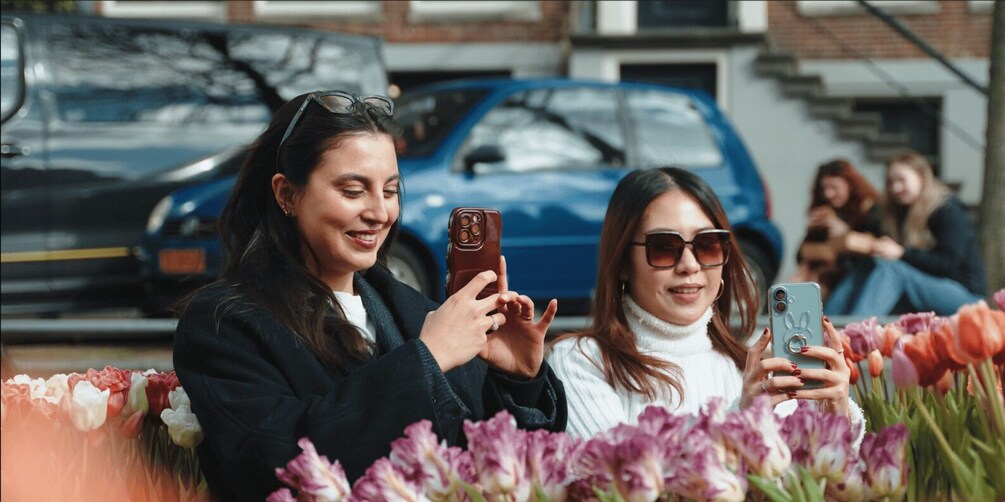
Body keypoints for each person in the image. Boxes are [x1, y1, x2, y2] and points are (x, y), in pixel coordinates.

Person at [172, 90, 566, 500]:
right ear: (287, 194)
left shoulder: (416, 312)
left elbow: (506, 471)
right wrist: (426, 360)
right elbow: (279, 462)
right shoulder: (223, 323)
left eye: (390, 191)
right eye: (353, 190)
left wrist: (519, 380)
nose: (380, 213)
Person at [546, 167, 861, 440]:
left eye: (707, 245)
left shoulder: (753, 365)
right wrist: (740, 421)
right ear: (623, 262)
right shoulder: (581, 360)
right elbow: (618, 481)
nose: (690, 265)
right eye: (664, 247)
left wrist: (835, 418)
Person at [825, 150, 986, 316]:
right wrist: (848, 234)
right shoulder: (896, 213)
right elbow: (873, 240)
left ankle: (856, 332)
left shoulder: (947, 211)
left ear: (921, 177)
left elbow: (947, 262)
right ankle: (828, 326)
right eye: (891, 182)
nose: (896, 188)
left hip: (966, 296)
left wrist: (902, 253)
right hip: (924, 285)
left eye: (902, 180)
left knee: (893, 269)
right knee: (873, 263)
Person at [791, 159, 882, 301]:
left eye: (834, 187)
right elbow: (800, 255)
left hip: (858, 274)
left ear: (850, 185)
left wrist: (845, 233)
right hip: (827, 277)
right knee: (805, 273)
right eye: (825, 189)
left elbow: (878, 245)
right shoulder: (826, 212)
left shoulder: (869, 209)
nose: (829, 194)